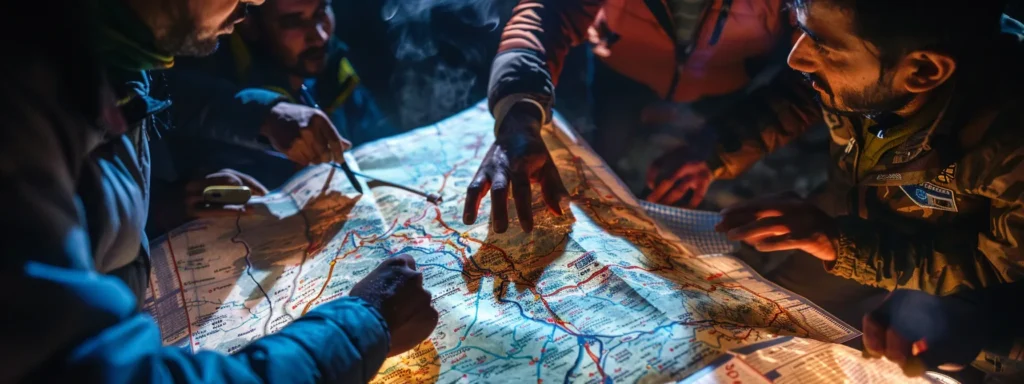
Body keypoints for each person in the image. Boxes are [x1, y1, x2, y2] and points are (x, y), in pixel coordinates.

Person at [0, 0, 437, 381]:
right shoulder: (23, 96)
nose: (254, 3)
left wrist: (162, 205)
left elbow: (159, 103)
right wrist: (360, 325)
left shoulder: (108, 49)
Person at [689, 0, 1023, 376]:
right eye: (799, 30)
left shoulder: (1010, 139)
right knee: (754, 322)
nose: (796, 57)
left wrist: (845, 247)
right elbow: (803, 94)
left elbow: (999, 272)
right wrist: (714, 151)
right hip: (847, 216)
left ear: (924, 70)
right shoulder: (863, 72)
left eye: (822, 44)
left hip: (953, 288)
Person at [462, 0, 795, 233]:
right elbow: (546, 15)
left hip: (722, 88)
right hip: (621, 72)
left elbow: (807, 83)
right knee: (603, 157)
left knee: (688, 185)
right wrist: (519, 113)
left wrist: (720, 150)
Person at [175, 0, 397, 148]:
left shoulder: (335, 68)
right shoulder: (214, 88)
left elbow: (377, 134)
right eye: (294, 22)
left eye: (321, 12)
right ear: (249, 25)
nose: (319, 36)